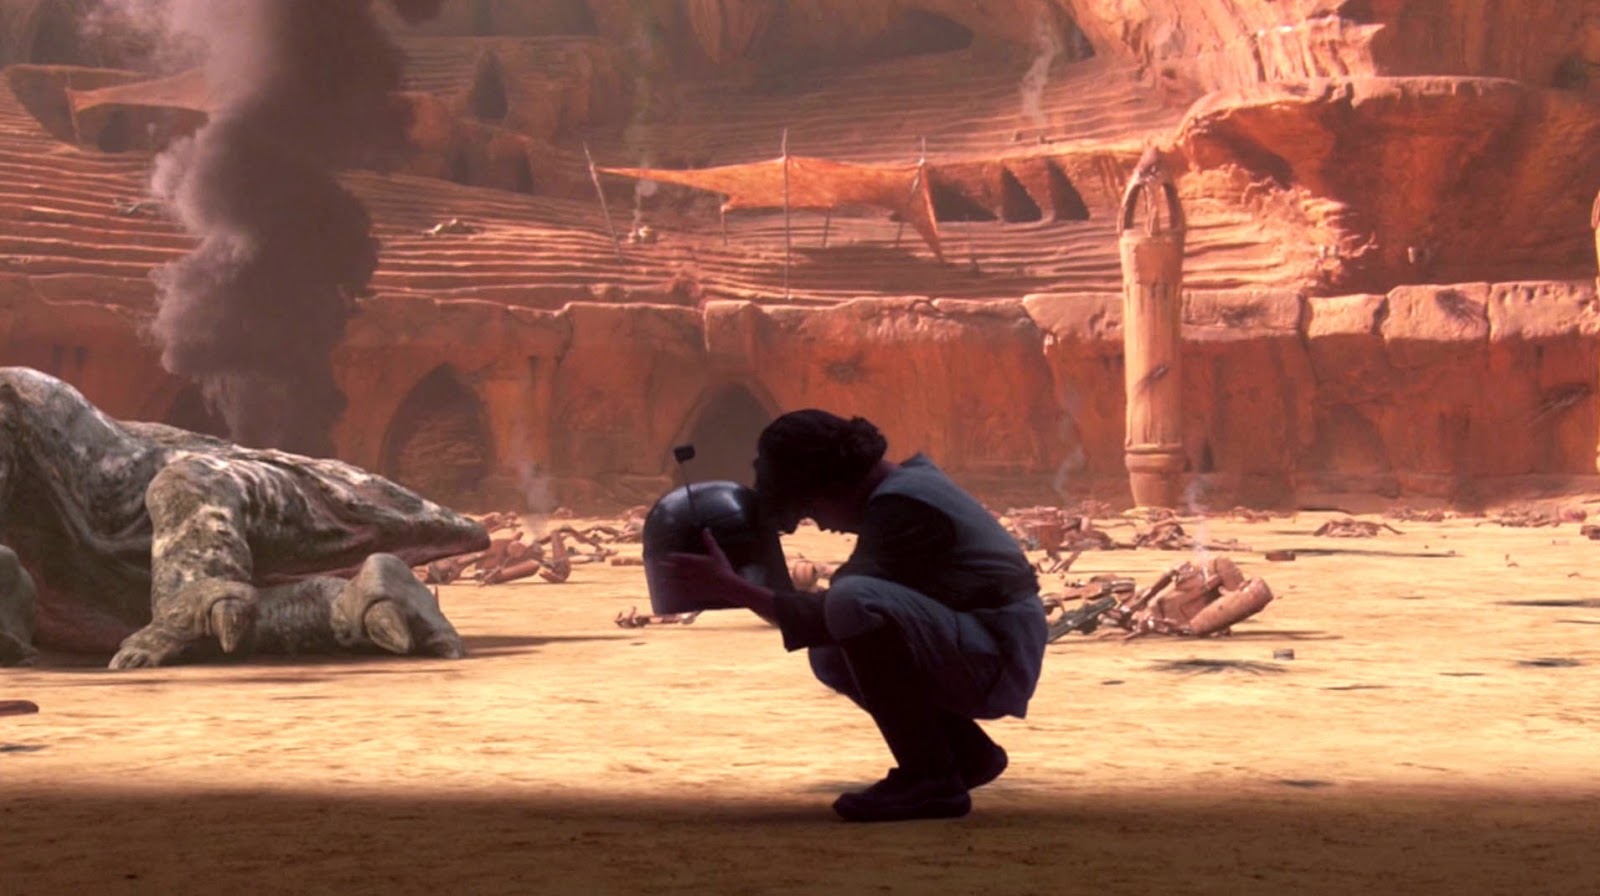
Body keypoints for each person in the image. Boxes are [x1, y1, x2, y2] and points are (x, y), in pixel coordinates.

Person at [656, 409, 1048, 822]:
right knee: (832, 650)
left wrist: (732, 587)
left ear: (834, 482)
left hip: (997, 654)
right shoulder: (903, 489)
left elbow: (834, 609)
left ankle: (931, 780)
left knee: (851, 603)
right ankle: (966, 755)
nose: (822, 524)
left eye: (811, 507)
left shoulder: (903, 507)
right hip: (987, 640)